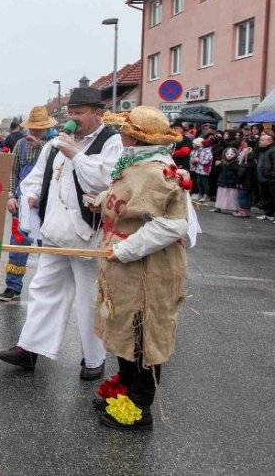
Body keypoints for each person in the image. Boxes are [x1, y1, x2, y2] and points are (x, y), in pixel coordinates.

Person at [0, 87, 121, 380]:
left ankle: (94, 358)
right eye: (71, 113)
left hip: (89, 234)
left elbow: (107, 179)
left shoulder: (111, 142)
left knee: (90, 297)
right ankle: (30, 349)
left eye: (79, 114)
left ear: (97, 114)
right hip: (54, 231)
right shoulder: (56, 143)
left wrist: (75, 155)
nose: (73, 119)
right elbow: (37, 177)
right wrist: (30, 195)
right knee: (44, 290)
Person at [93, 106, 192, 431]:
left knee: (143, 334)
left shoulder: (158, 172)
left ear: (133, 136)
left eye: (124, 130)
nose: (119, 134)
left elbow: (173, 225)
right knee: (123, 325)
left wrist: (125, 249)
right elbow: (131, 201)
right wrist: (102, 200)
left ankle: (140, 404)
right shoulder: (137, 164)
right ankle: (123, 385)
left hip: (146, 268)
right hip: (125, 267)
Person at [0, 106, 55, 302]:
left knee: (47, 249)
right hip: (22, 205)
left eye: (39, 129)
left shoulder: (54, 145)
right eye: (32, 128)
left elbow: (55, 168)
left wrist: (40, 145)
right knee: (18, 246)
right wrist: (10, 196)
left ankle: (47, 291)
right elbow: (13, 172)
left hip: (47, 205)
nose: (34, 132)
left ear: (46, 128)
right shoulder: (20, 145)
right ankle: (12, 287)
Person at [213, 147, 240, 214]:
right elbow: (216, 171)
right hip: (222, 181)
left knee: (232, 196)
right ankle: (218, 207)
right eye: (227, 154)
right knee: (221, 195)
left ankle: (234, 208)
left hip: (232, 182)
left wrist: (237, 182)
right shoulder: (222, 162)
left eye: (232, 154)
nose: (229, 155)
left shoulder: (236, 163)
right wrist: (217, 166)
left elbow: (237, 172)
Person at [256, 131, 275, 221]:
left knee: (273, 198)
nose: (260, 142)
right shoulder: (262, 151)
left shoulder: (273, 150)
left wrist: (272, 177)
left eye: (262, 140)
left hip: (271, 179)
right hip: (263, 179)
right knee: (268, 198)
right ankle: (269, 214)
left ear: (268, 141)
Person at [190, 137, 212, 202]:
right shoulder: (202, 150)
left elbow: (206, 161)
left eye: (202, 144)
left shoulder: (208, 152)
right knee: (199, 182)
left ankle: (205, 195)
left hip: (204, 169)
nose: (201, 145)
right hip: (199, 169)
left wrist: (198, 160)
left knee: (204, 182)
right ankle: (200, 194)